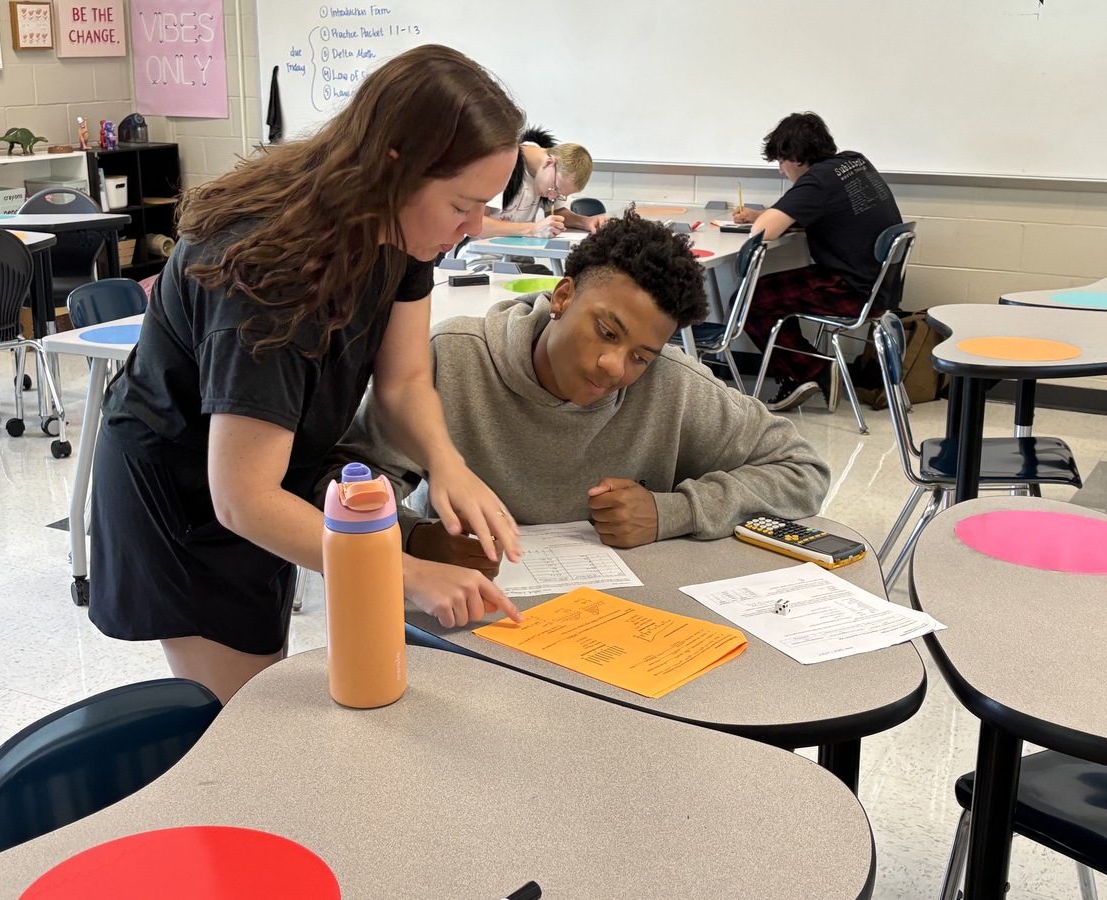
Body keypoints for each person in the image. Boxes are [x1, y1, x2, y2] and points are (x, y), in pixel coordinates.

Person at [88, 45, 529, 704]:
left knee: (271, 680)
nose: (473, 229)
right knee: (242, 715)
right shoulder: (270, 275)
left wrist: (447, 463)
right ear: (393, 166)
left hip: (265, 473)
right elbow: (241, 498)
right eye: (463, 205)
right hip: (186, 495)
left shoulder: (401, 229)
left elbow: (405, 379)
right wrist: (403, 574)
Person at [322, 209, 830, 575]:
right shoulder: (452, 360)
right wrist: (420, 539)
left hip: (630, 626)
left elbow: (802, 471)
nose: (613, 366)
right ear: (563, 296)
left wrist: (673, 511)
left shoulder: (671, 383)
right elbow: (344, 484)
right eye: (606, 332)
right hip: (477, 623)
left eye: (640, 355)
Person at [734, 112, 903, 412]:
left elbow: (762, 233)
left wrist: (762, 219)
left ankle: (814, 370)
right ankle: (800, 373)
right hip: (881, 287)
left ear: (797, 158)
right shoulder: (854, 161)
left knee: (747, 300)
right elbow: (826, 212)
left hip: (850, 291)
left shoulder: (818, 182)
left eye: (781, 161)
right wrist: (764, 214)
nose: (780, 171)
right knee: (775, 297)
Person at [475, 126, 606, 238]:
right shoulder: (504, 163)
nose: (552, 197)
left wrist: (586, 221)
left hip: (520, 258)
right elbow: (477, 223)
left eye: (558, 195)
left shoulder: (549, 175)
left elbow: (557, 214)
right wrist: (532, 229)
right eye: (555, 189)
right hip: (483, 260)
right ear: (549, 163)